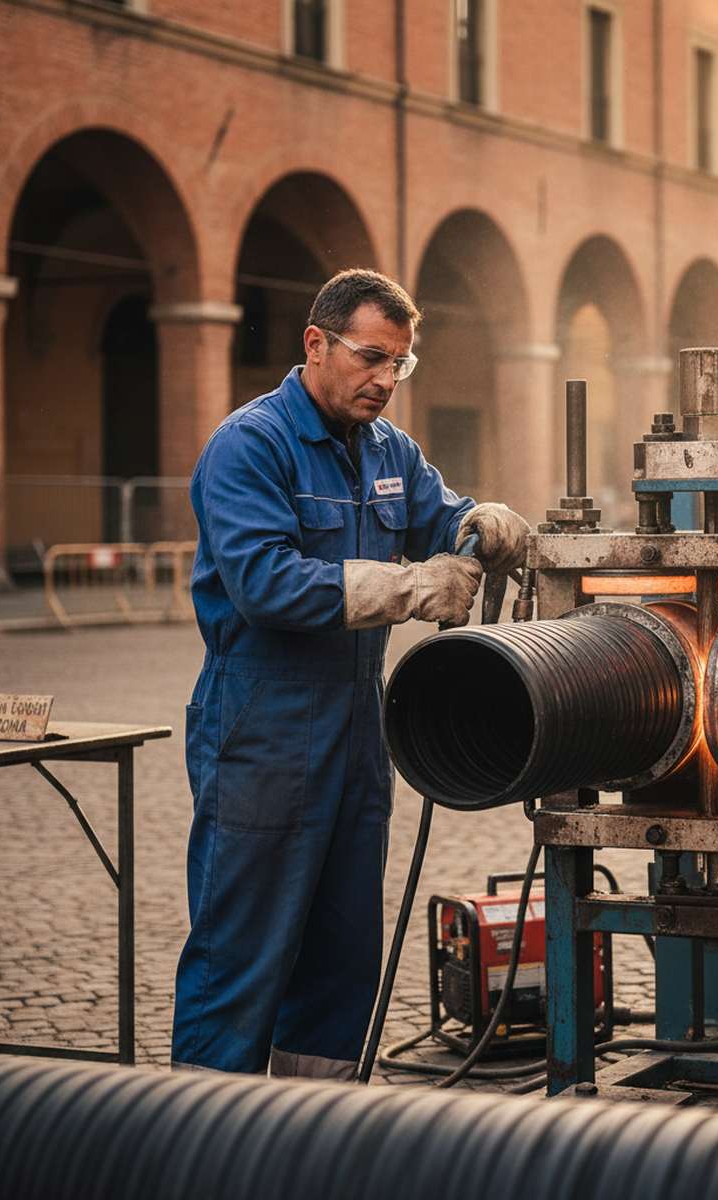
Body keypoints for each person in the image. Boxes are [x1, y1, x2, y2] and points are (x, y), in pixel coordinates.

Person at [171, 268, 531, 1078]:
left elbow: (439, 515)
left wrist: (478, 519)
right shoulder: (251, 444)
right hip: (261, 724)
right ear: (316, 344)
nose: (384, 382)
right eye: (370, 358)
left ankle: (310, 1139)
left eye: (398, 366)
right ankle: (194, 1144)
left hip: (354, 728)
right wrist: (408, 585)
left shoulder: (389, 449)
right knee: (242, 952)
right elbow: (262, 581)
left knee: (342, 953)